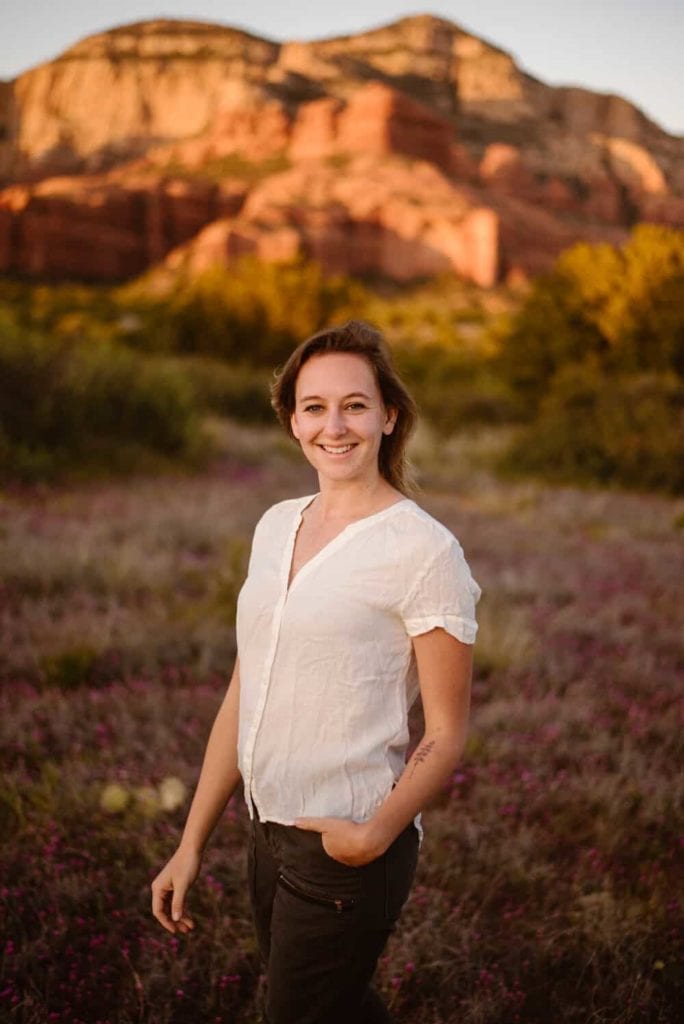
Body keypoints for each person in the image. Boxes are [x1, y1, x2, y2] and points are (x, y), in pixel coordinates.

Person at [151, 320, 481, 1023]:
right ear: (293, 421)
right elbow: (248, 689)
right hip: (266, 831)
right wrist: (191, 844)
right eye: (314, 406)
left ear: (389, 416)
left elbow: (447, 731)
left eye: (355, 405)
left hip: (349, 847)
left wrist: (372, 834)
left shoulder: (424, 551)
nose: (336, 425)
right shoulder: (277, 525)